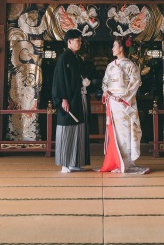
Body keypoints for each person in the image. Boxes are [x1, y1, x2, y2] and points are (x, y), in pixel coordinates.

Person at [98, 37, 149, 174]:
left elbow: (135, 83)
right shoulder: (110, 66)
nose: (112, 49)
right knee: (114, 132)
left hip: (124, 103)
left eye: (114, 46)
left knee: (125, 131)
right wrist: (106, 91)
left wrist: (124, 98)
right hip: (113, 103)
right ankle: (116, 161)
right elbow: (105, 82)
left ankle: (126, 162)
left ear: (121, 48)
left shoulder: (131, 65)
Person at [52, 28, 90, 173]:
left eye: (80, 40)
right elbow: (59, 80)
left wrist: (85, 80)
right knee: (66, 129)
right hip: (68, 99)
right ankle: (65, 164)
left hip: (79, 99)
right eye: (77, 40)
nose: (80, 43)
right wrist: (63, 98)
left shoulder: (78, 58)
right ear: (69, 41)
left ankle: (75, 162)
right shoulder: (63, 58)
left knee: (79, 130)